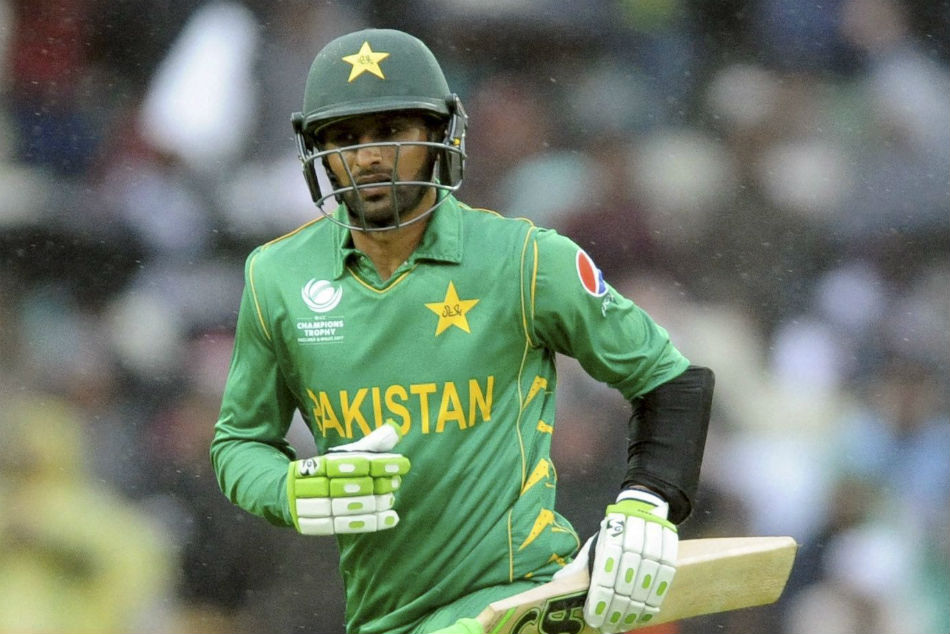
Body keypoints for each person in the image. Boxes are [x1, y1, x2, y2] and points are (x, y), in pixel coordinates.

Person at [210, 28, 715, 634]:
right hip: (385, 616)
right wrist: (290, 489)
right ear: (315, 150)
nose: (368, 157)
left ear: (440, 135)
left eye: (391, 131)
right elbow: (239, 442)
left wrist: (647, 502)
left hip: (519, 599)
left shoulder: (524, 259)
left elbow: (670, 381)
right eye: (345, 138)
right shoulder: (276, 277)